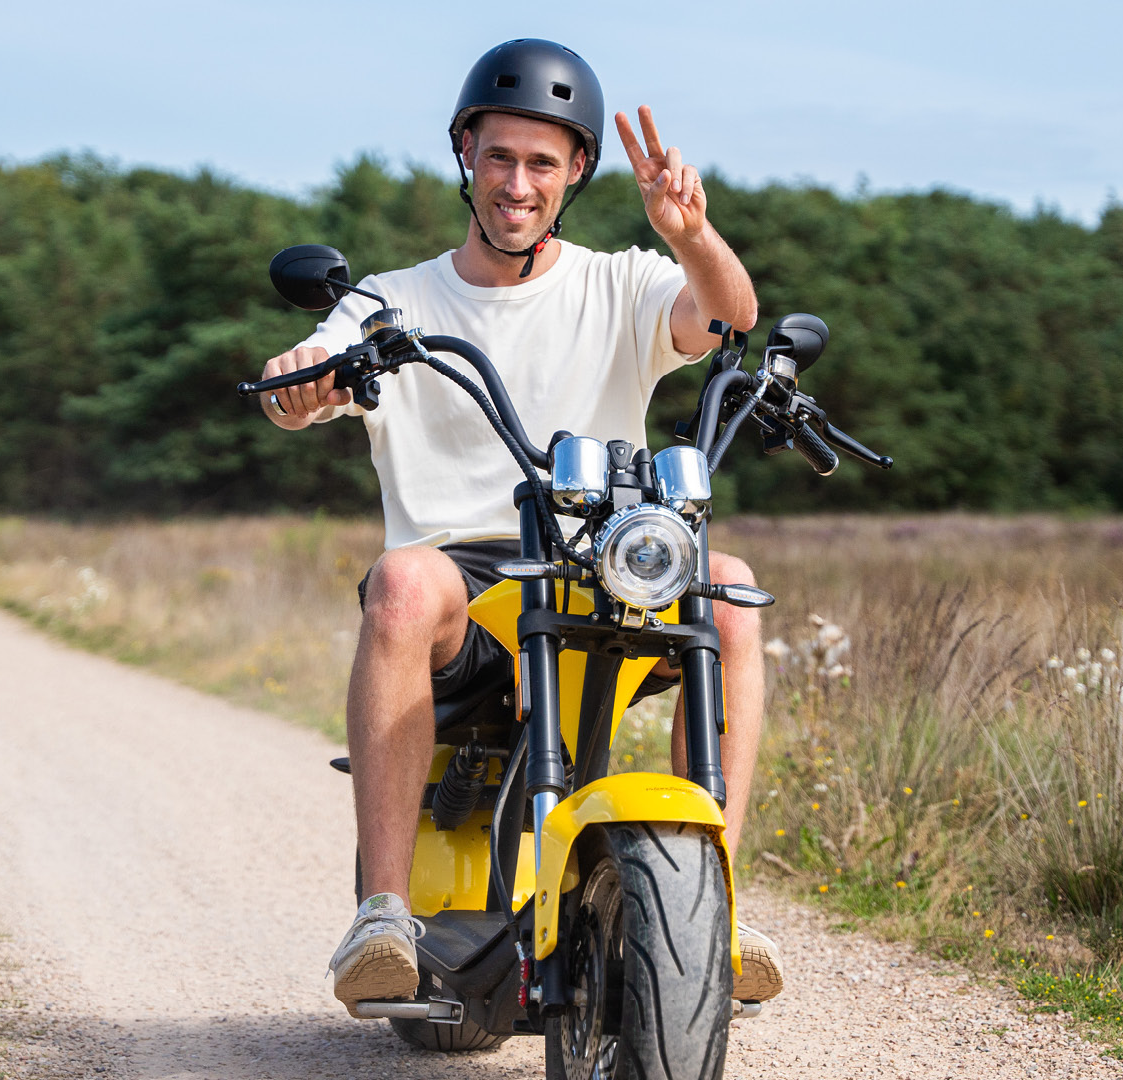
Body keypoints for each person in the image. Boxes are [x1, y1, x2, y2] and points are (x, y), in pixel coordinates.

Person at [255, 39, 786, 1015]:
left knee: (734, 587)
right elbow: (301, 378)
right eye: (499, 156)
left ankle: (716, 901)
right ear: (465, 152)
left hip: (599, 566)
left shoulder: (621, 282)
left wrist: (691, 237)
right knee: (403, 580)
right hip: (466, 596)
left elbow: (728, 319)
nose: (517, 182)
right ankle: (383, 914)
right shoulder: (390, 300)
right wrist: (302, 383)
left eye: (542, 162)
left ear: (577, 171)